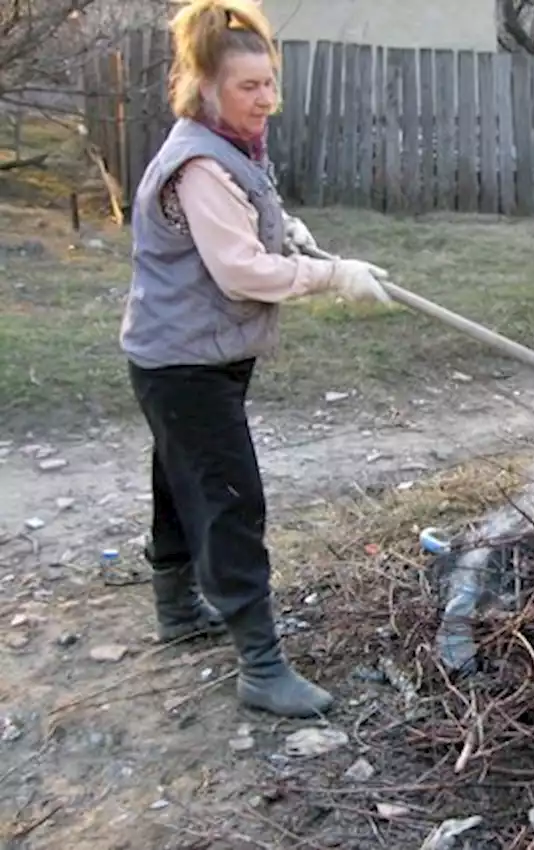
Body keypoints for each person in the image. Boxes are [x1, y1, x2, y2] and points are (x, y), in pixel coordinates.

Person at [120, 0, 392, 717]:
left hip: (177, 357)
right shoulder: (201, 162)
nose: (267, 98)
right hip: (185, 364)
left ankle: (178, 613)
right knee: (232, 501)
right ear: (207, 86)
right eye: (249, 87)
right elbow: (240, 270)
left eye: (270, 82)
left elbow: (245, 216)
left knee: (184, 486)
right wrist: (331, 276)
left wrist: (289, 229)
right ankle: (262, 667)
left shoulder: (223, 146)